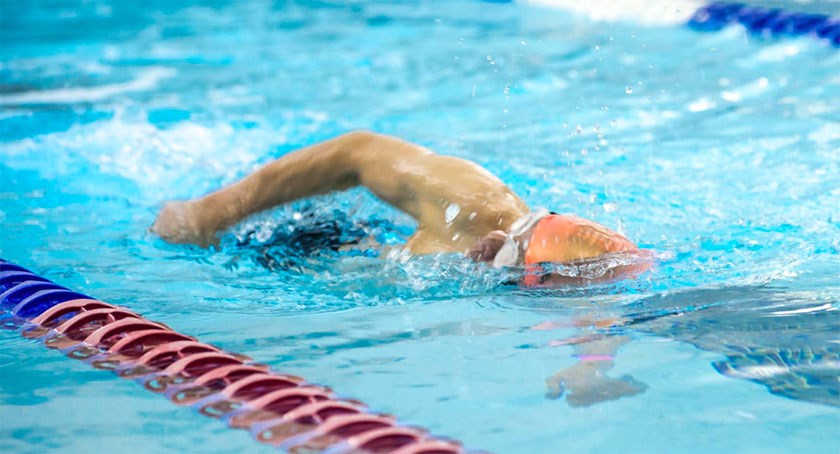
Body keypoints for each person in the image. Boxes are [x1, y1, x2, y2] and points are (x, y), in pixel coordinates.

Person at [152, 130, 651, 286]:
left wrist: (591, 368)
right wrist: (212, 213)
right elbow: (358, 150)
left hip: (370, 257)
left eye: (507, 264)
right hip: (293, 236)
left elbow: (595, 318)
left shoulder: (557, 273)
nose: (489, 252)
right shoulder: (473, 202)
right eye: (507, 247)